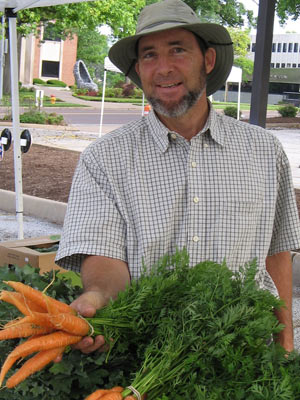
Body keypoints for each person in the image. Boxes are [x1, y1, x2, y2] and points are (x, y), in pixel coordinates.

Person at [55, 0, 300, 354]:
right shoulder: (104, 159)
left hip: (245, 356)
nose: (163, 68)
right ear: (139, 69)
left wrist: (285, 346)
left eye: (178, 50)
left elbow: (276, 253)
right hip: (148, 359)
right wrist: (98, 296)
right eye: (150, 55)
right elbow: (103, 255)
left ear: (208, 60)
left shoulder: (264, 151)